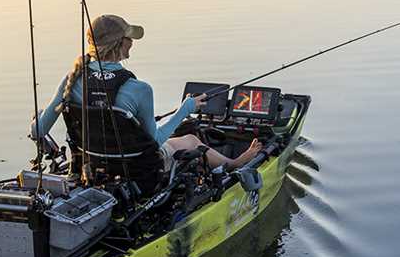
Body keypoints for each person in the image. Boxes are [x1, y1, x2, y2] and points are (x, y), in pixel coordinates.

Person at [29, 14, 261, 174]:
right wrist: (185, 110)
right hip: (139, 171)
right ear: (121, 45)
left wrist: (39, 116)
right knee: (190, 140)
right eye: (129, 38)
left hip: (92, 167)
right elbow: (155, 142)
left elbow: (38, 131)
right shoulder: (138, 89)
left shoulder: (71, 81)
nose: (132, 43)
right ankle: (234, 163)